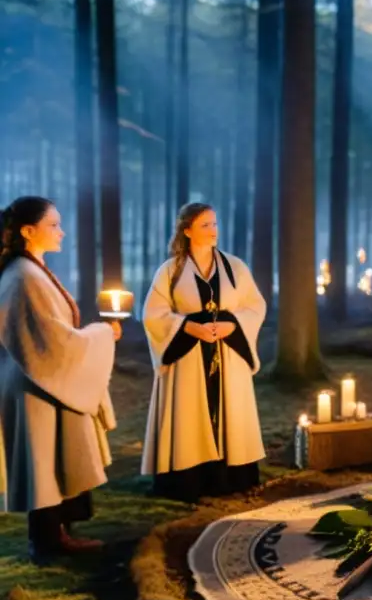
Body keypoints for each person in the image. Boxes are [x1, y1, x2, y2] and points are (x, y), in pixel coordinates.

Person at [0, 196, 121, 562]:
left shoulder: (29, 270)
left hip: (39, 378)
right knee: (43, 463)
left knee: (53, 459)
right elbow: (50, 339)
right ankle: (48, 542)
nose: (61, 231)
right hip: (35, 382)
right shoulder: (23, 276)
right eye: (53, 225)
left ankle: (58, 533)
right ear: (28, 230)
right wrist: (102, 334)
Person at [142, 202, 267, 502]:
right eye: (205, 226)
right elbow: (152, 314)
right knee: (189, 413)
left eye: (214, 224)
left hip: (228, 353)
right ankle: (188, 480)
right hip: (187, 357)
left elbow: (255, 306)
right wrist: (187, 326)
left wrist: (233, 324)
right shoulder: (170, 271)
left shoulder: (235, 267)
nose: (213, 231)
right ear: (187, 231)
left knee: (229, 410)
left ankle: (231, 476)